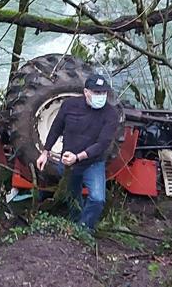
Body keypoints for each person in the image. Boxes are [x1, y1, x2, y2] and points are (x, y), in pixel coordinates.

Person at [36, 73, 119, 232]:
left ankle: (84, 228)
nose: (101, 96)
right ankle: (74, 223)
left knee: (97, 199)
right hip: (68, 163)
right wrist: (45, 152)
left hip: (92, 163)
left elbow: (103, 143)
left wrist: (78, 157)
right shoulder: (69, 105)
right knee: (73, 196)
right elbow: (56, 128)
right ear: (86, 92)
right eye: (97, 93)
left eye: (103, 93)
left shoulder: (110, 114)